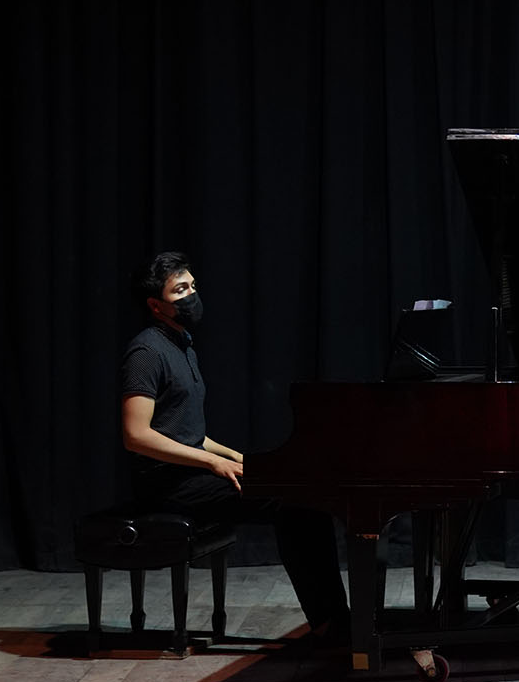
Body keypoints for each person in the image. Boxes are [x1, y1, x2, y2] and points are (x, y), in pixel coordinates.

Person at [120, 251, 351, 643]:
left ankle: (337, 620)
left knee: (302, 495)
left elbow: (184, 429)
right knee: (289, 502)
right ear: (155, 305)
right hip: (167, 486)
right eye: (180, 290)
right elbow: (137, 435)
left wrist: (237, 457)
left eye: (192, 285)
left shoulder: (182, 346)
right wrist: (212, 463)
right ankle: (331, 625)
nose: (192, 295)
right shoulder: (146, 352)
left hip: (191, 474)